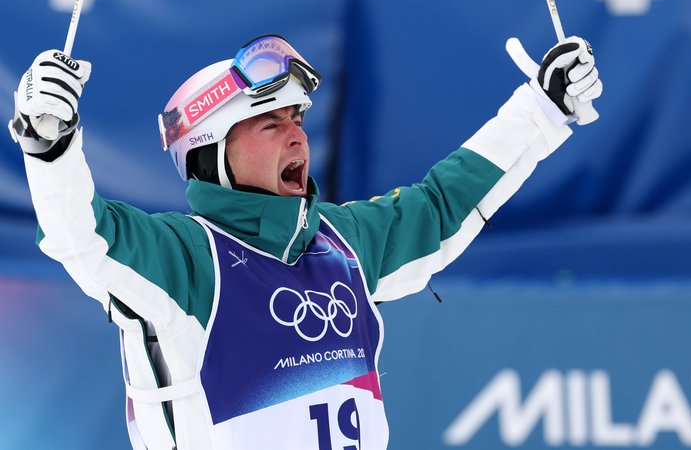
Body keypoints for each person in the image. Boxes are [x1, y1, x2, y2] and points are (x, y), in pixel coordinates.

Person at [10, 33, 602, 450]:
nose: (298, 138)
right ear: (213, 153)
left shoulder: (339, 242)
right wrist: (51, 147)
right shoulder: (184, 259)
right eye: (272, 123)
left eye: (298, 120)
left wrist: (543, 109)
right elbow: (80, 235)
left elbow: (443, 204)